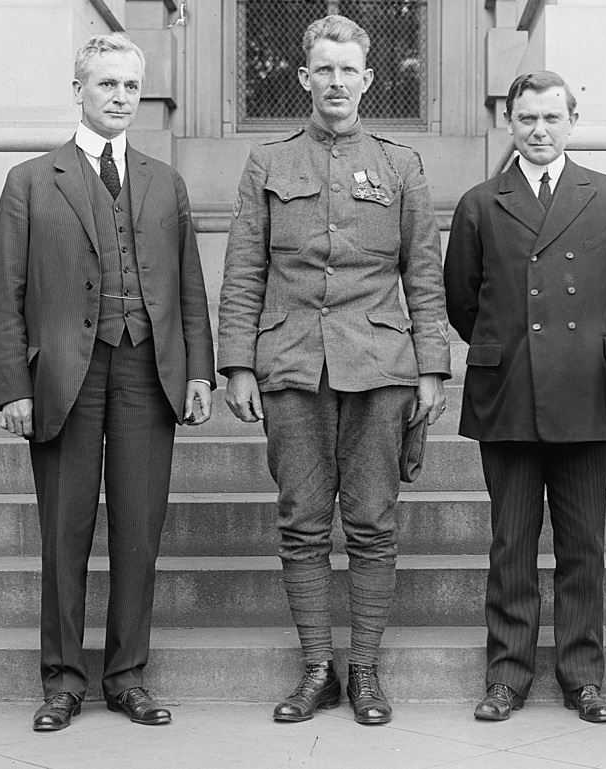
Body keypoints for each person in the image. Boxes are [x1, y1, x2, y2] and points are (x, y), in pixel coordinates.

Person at [217, 14, 450, 726]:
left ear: (369, 79)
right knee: (303, 522)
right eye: (324, 69)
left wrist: (433, 368)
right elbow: (244, 270)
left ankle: (365, 668)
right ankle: (318, 667)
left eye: (349, 70)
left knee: (374, 522)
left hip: (380, 368)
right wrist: (237, 363)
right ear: (305, 78)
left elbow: (423, 273)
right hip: (292, 365)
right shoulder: (268, 162)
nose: (337, 82)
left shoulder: (400, 165)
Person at [0, 33, 216, 732]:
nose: (120, 97)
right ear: (78, 89)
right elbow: (2, 292)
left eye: (130, 86)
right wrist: (12, 386)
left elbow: (190, 287)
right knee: (65, 530)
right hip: (64, 376)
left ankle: (127, 677)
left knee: (139, 531)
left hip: (148, 369)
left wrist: (198, 371)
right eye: (107, 84)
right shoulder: (31, 180)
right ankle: (61, 681)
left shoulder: (164, 180)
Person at [444, 70, 606, 722]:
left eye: (551, 118)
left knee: (583, 544)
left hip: (586, 388)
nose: (538, 130)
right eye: (527, 119)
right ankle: (507, 676)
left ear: (572, 122)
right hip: (508, 391)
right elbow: (462, 300)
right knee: (512, 544)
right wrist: (514, 350)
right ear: (510, 122)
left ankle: (583, 677)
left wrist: (580, 347)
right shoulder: (481, 202)